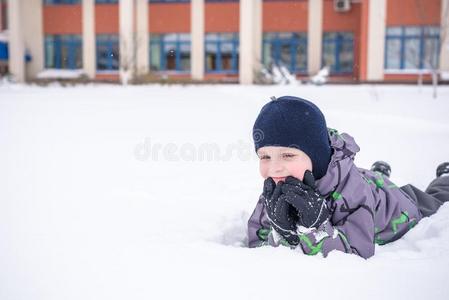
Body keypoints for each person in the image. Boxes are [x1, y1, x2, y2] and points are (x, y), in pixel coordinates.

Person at [247, 95, 449, 259]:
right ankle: (379, 171)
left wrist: (315, 229)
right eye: (265, 156)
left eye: (288, 155)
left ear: (316, 157)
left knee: (433, 199)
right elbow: (258, 244)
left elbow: (357, 253)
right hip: (363, 180)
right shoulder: (277, 187)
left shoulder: (352, 193)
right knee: (371, 178)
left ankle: (444, 178)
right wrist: (282, 232)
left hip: (397, 204)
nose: (274, 168)